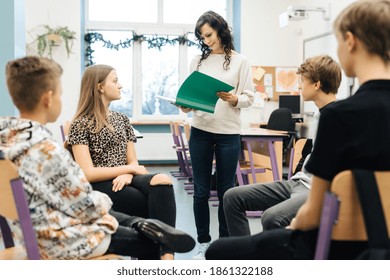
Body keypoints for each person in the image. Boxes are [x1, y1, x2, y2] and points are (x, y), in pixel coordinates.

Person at [205, 0, 390, 260]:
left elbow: (313, 210)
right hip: (372, 245)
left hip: (329, 243)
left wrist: (295, 224)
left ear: (350, 41)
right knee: (234, 197)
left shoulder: (340, 116)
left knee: (218, 251)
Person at [0, 55, 195, 260]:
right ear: (48, 99)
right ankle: (155, 241)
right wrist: (108, 209)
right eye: (60, 94)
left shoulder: (10, 141)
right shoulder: (46, 150)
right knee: (154, 242)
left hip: (32, 231)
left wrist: (127, 175)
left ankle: (143, 225)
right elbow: (86, 207)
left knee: (150, 206)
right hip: (64, 238)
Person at [67, 64, 179, 260]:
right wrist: (128, 169)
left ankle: (167, 253)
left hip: (126, 177)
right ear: (99, 86)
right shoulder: (80, 123)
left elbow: (133, 160)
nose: (120, 86)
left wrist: (128, 173)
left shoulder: (122, 119)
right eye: (115, 80)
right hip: (100, 183)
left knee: (162, 180)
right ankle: (161, 258)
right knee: (152, 204)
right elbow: (87, 172)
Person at [223, 55, 341, 236]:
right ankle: (247, 254)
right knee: (232, 197)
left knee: (271, 218)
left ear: (316, 84)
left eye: (302, 81)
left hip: (313, 189)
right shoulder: (321, 115)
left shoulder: (338, 116)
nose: (299, 86)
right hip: (299, 181)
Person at [179, 10, 254, 259]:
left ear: (220, 30)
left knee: (226, 192)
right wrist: (185, 104)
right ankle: (203, 242)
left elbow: (249, 98)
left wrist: (235, 99)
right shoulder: (197, 61)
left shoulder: (240, 61)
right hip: (200, 131)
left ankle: (223, 243)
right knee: (200, 190)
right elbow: (190, 97)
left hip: (228, 134)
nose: (206, 40)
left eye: (209, 34)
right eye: (202, 37)